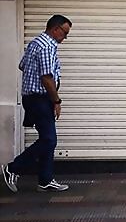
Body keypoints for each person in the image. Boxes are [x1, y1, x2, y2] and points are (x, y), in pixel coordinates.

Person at [1, 14, 73, 193]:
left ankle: (46, 180)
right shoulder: (47, 46)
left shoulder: (35, 43)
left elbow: (22, 65)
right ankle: (12, 168)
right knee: (49, 140)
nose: (65, 38)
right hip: (40, 99)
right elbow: (47, 78)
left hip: (32, 98)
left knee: (46, 139)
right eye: (64, 33)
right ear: (55, 29)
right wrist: (56, 100)